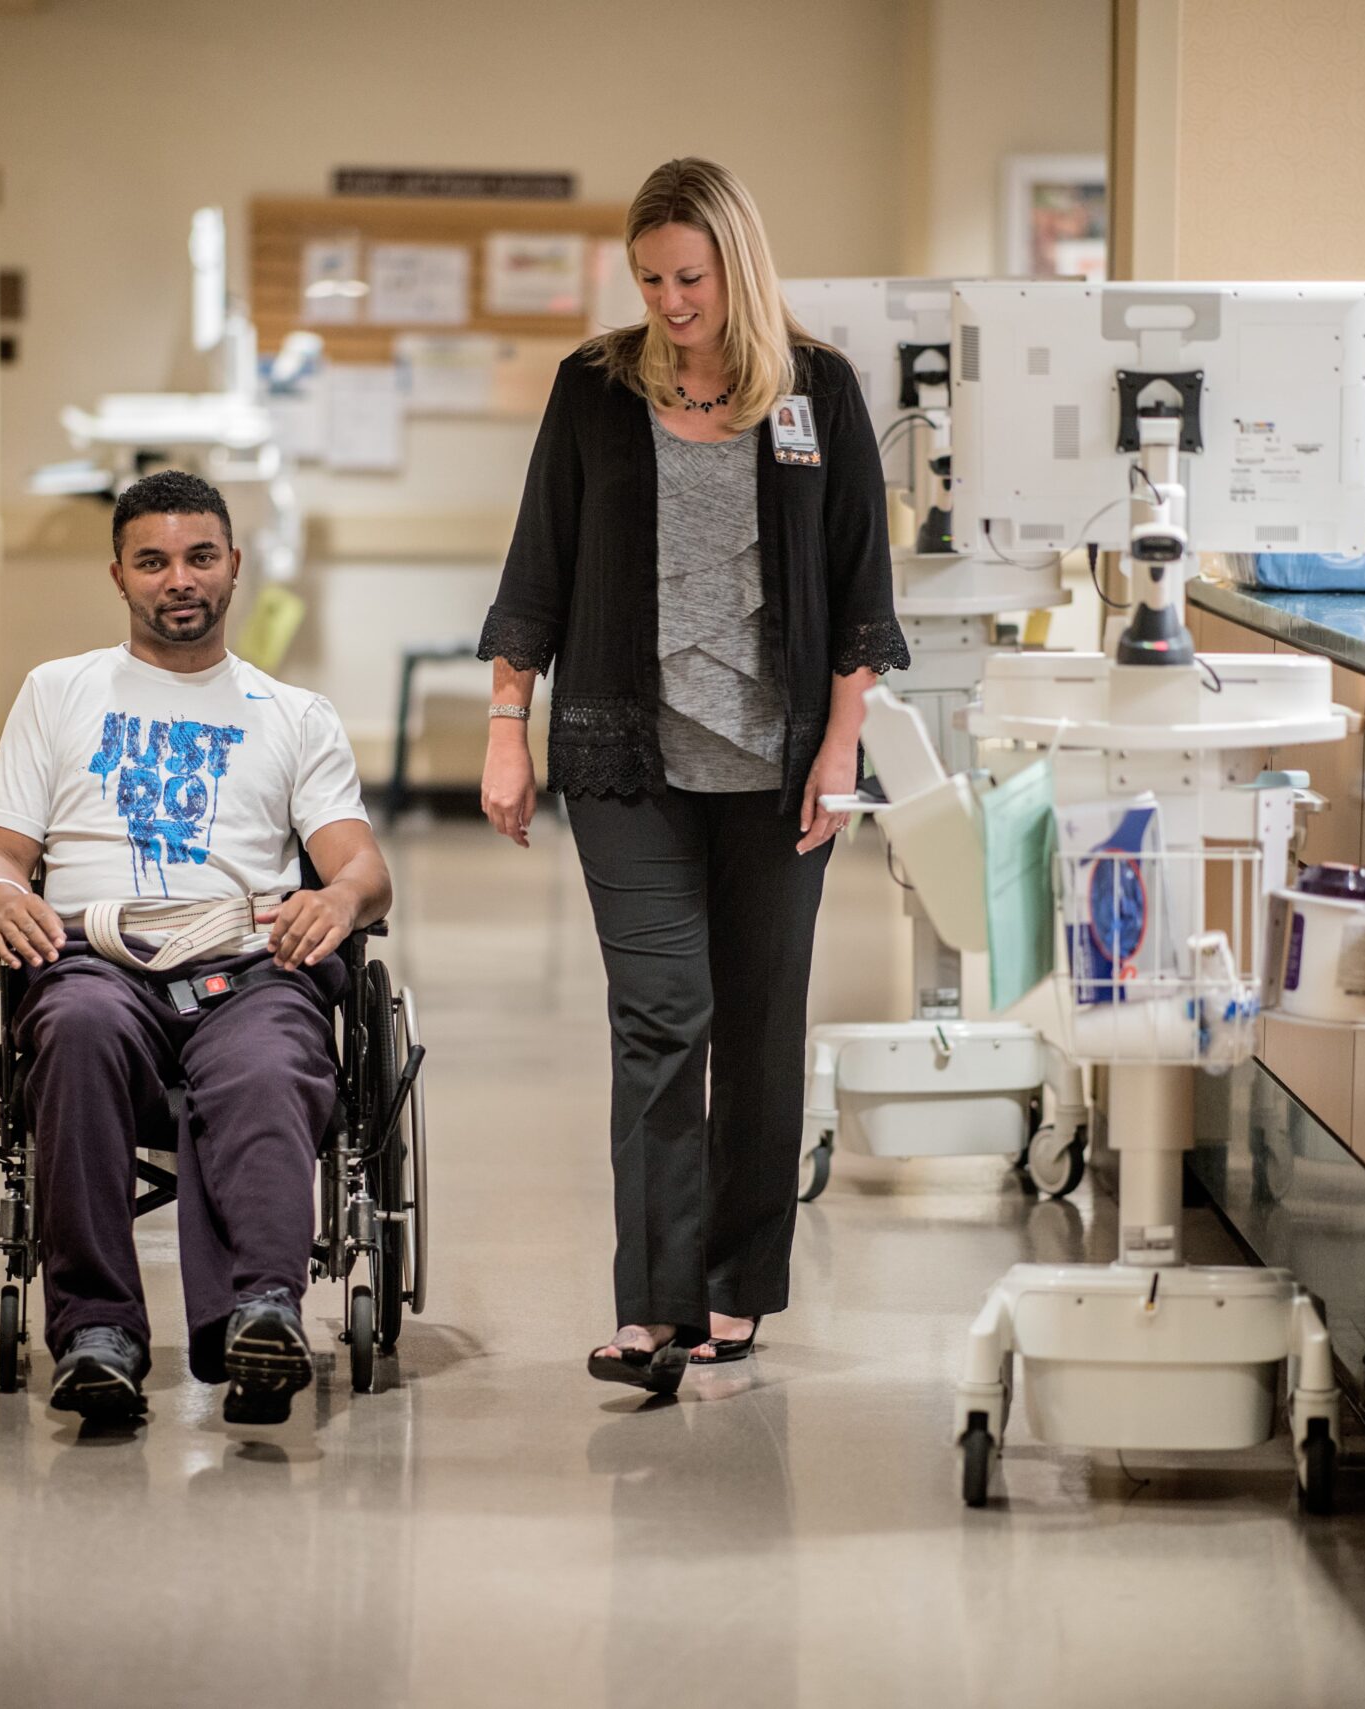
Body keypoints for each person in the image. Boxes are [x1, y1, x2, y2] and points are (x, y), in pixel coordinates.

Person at [475, 157, 909, 1396]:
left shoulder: (816, 390)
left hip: (777, 770)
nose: (671, 302)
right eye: (652, 279)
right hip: (629, 754)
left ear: (738, 267)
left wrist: (840, 747)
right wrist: (508, 723)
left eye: (692, 278)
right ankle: (652, 1305)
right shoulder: (595, 390)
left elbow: (859, 587)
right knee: (662, 1018)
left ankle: (735, 1285)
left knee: (762, 1024)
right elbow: (537, 568)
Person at [0, 468, 391, 1425]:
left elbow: (361, 864)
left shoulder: (293, 715)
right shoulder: (57, 691)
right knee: (71, 1032)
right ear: (117, 573)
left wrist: (341, 898)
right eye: (152, 561)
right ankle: (98, 1333)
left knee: (273, 1059)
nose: (179, 579)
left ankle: (262, 1312)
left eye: (200, 557)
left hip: (247, 962)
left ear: (234, 565)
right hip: (92, 958)